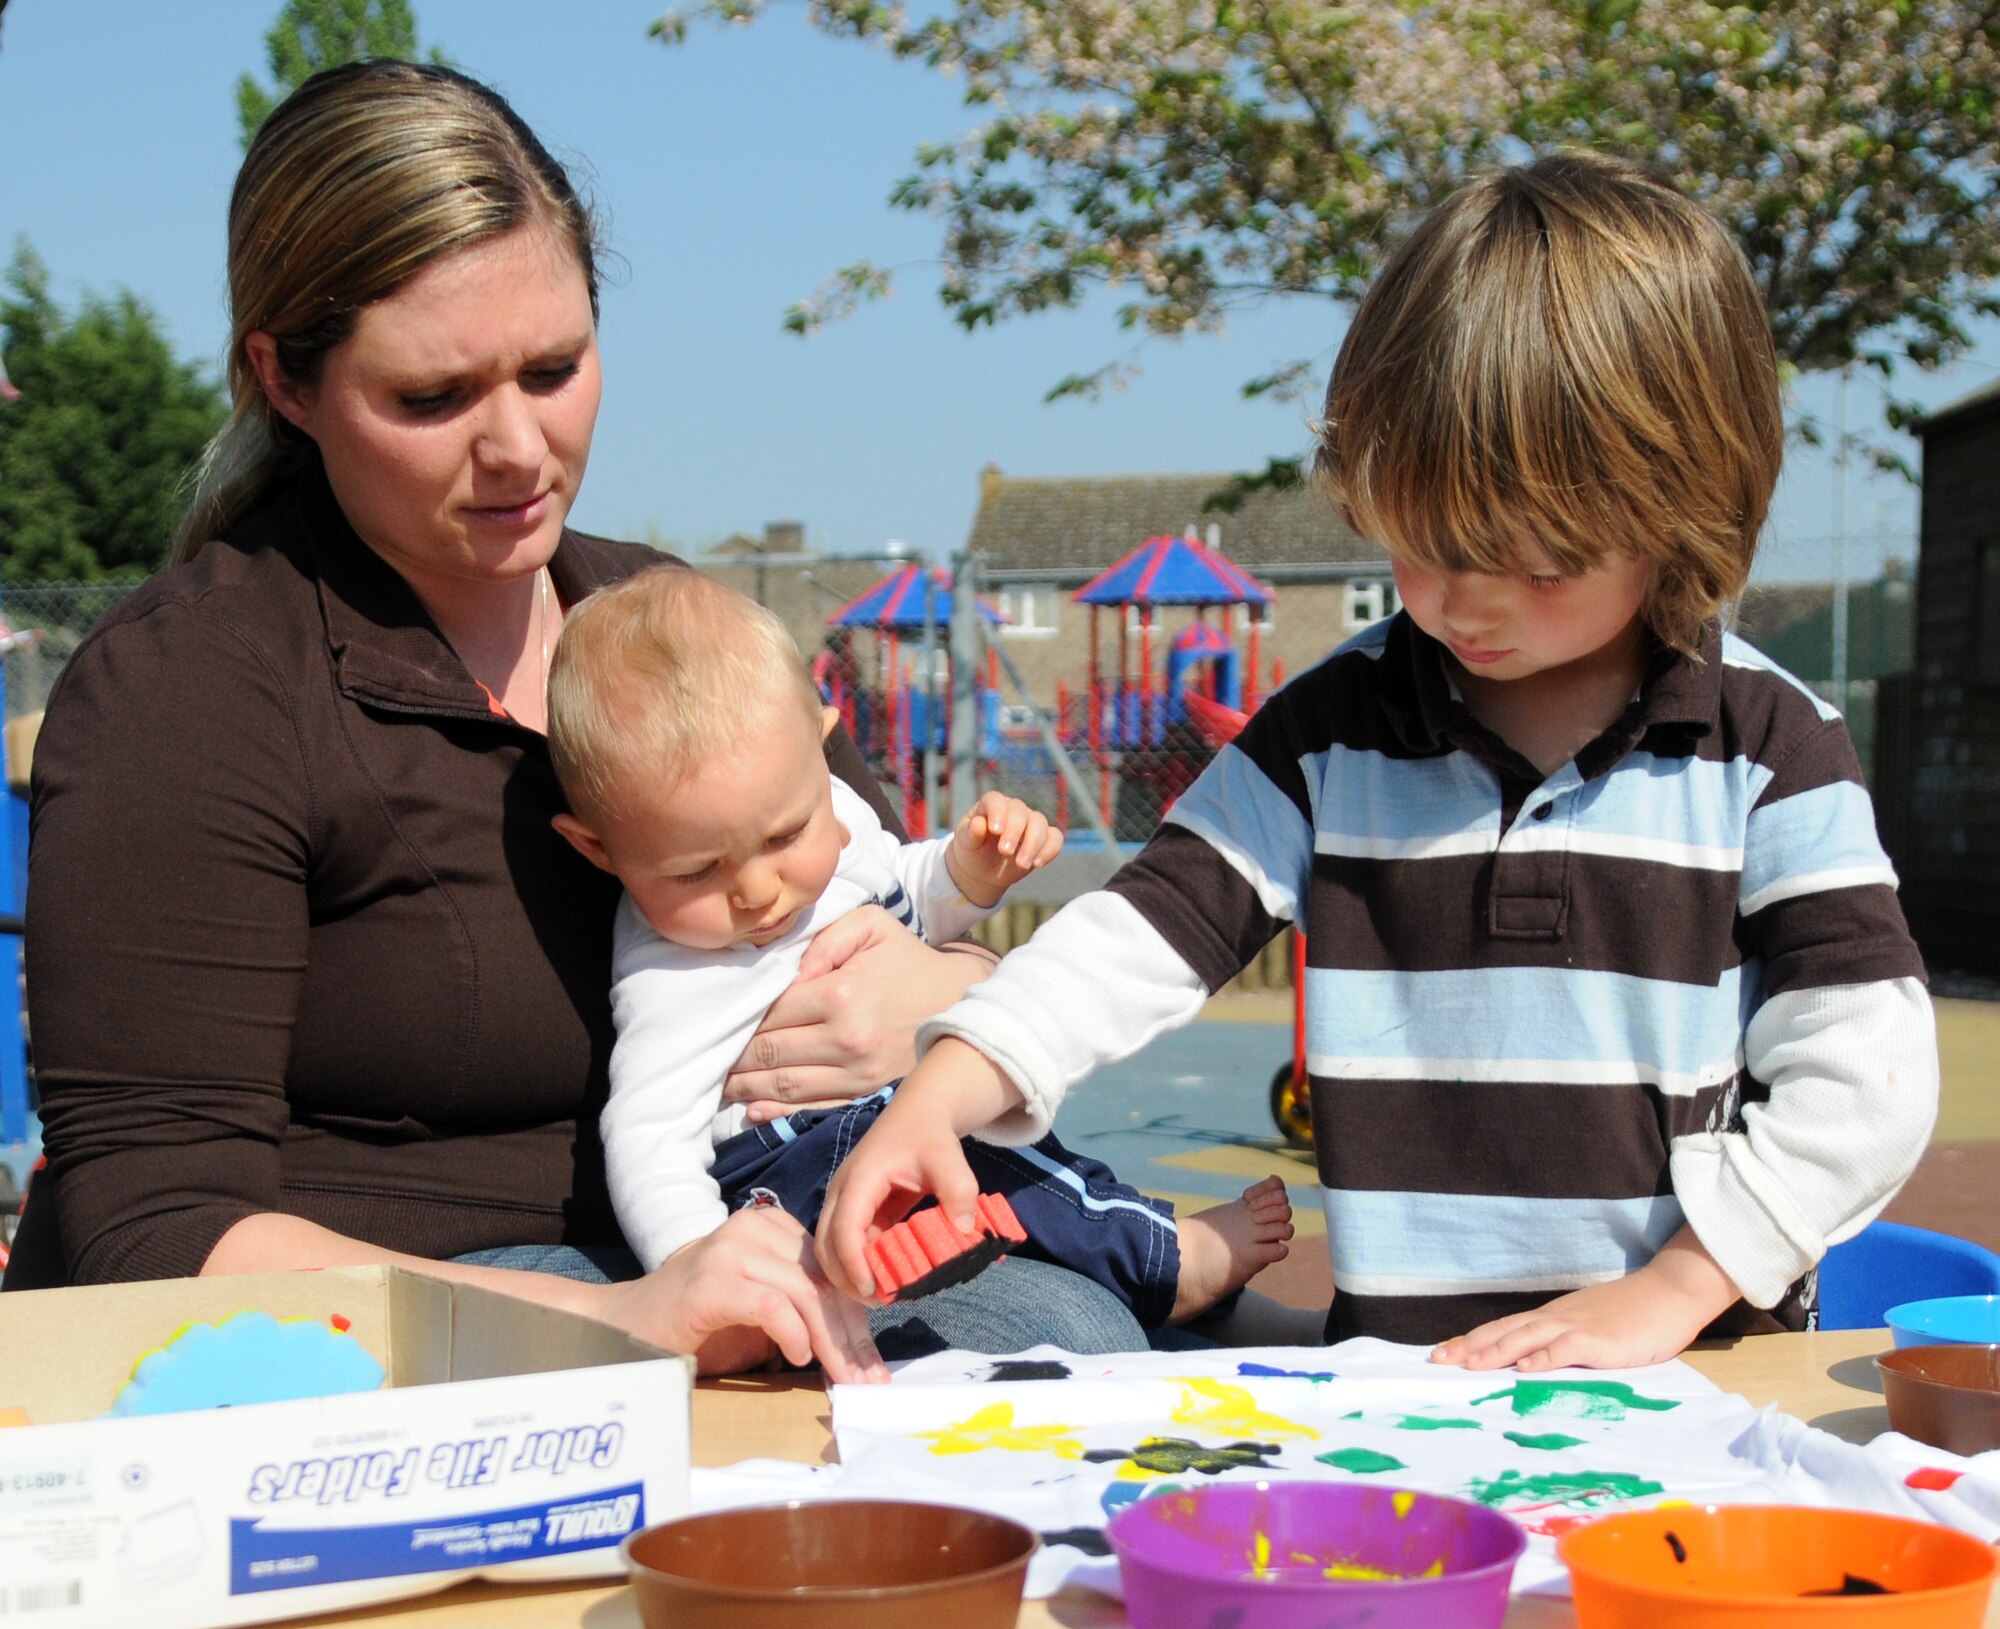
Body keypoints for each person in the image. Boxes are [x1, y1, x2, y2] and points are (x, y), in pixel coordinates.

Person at [4, 59, 1153, 1375]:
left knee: (1079, 1328)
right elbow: (150, 1225)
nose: (517, 449)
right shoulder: (194, 691)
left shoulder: (674, 632)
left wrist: (953, 997)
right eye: (433, 399)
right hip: (394, 1308)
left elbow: (881, 905)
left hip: (742, 1224)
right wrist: (625, 1318)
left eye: (555, 367)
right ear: (284, 379)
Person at [816, 152, 1940, 1372]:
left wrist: (1677, 1287)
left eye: (1539, 563)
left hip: (1687, 1376)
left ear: (1680, 511)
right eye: (1420, 545)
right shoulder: (1333, 731)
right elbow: (1136, 933)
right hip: (1405, 1390)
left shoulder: (1768, 748)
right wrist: (945, 1088)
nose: (1464, 601)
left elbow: (1865, 1076)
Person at [542, 567, 1293, 1328]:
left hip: (870, 1119)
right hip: (783, 1161)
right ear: (599, 852)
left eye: (784, 835)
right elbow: (648, 1137)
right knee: (986, 1156)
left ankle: (1161, 1288)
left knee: (981, 1124)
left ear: (824, 748)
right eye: (698, 870)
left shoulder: (832, 812)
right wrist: (697, 1262)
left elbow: (906, 889)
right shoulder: (670, 974)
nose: (757, 888)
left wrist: (967, 870)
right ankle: (1164, 1258)